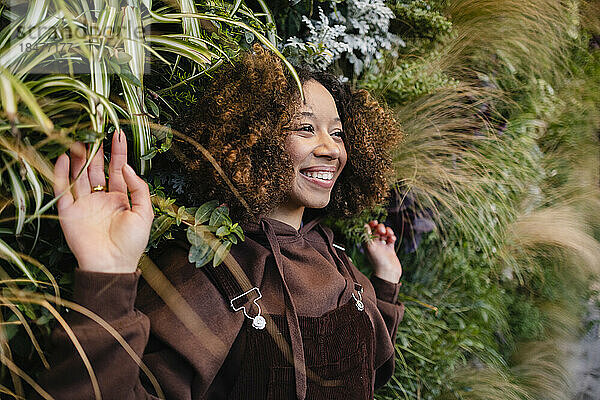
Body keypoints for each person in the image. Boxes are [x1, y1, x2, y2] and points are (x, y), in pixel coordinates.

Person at [39, 44, 404, 400]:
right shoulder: (207, 269)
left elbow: (367, 367)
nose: (331, 149)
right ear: (254, 139)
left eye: (337, 132)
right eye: (305, 128)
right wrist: (108, 274)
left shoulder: (330, 251)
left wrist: (385, 282)